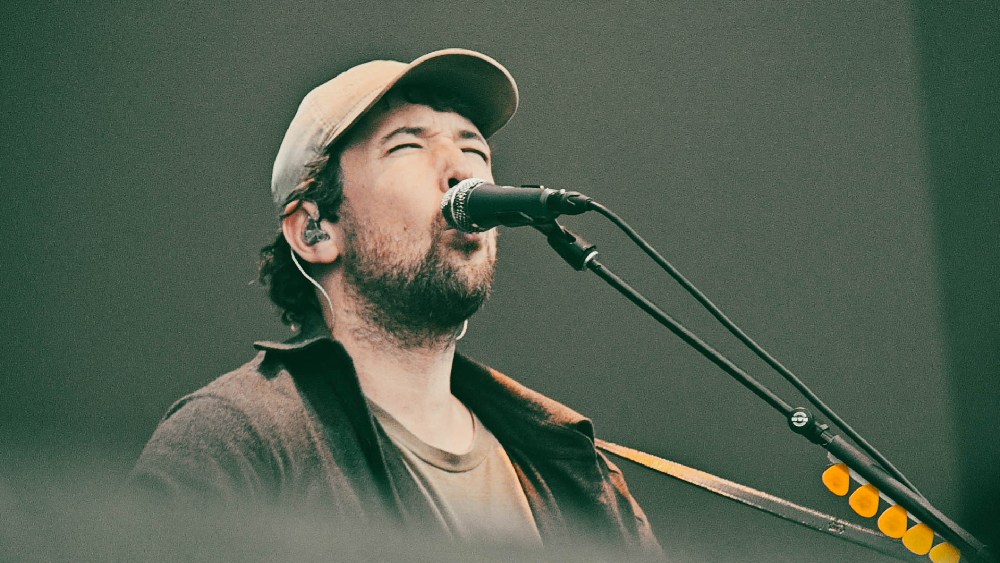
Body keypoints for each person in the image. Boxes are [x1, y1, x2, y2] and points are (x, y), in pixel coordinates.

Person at [131, 48, 660, 553]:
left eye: (474, 148)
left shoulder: (570, 466)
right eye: (408, 145)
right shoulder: (236, 440)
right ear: (315, 230)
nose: (462, 172)